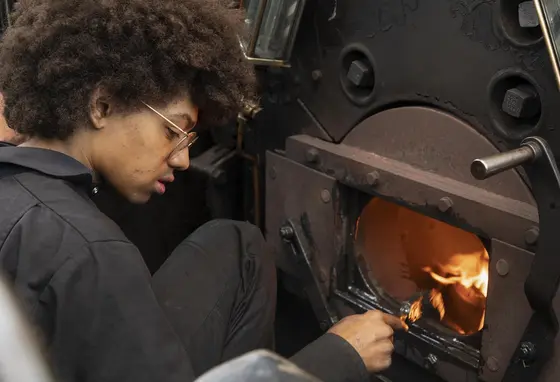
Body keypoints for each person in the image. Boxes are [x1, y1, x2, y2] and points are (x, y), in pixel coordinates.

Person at [0, 1, 405, 382]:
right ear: (101, 106)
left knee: (238, 245)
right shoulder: (94, 253)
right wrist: (339, 357)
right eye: (172, 131)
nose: (181, 160)